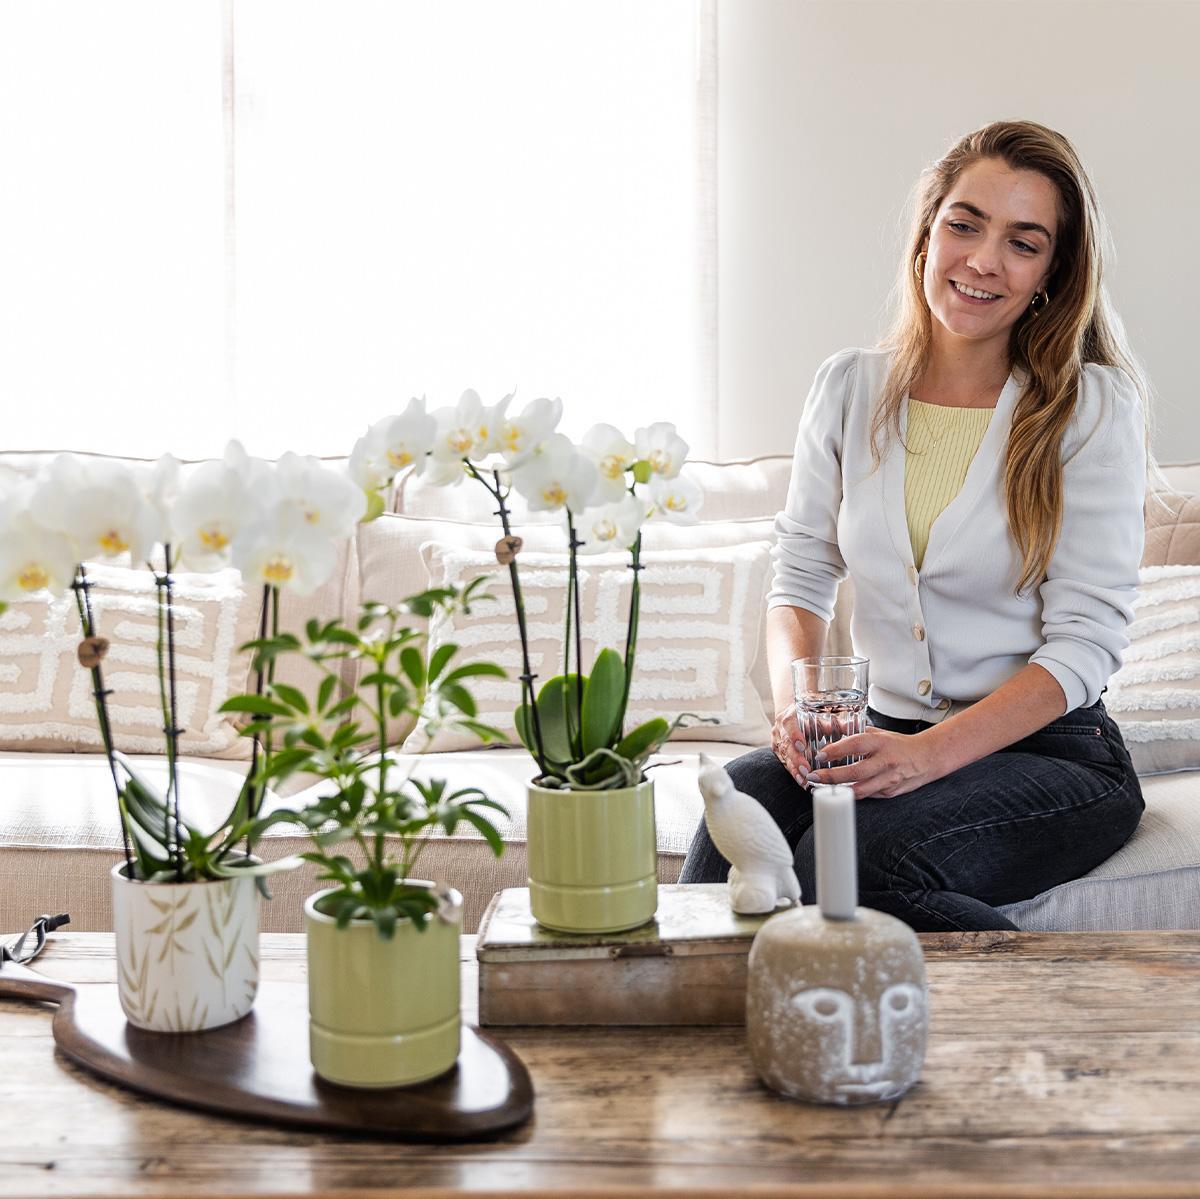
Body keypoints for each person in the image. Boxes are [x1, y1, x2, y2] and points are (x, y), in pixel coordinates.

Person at [680, 120, 1155, 932]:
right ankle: (717, 1046)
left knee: (852, 860)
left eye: (1023, 241)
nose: (982, 259)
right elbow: (801, 568)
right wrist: (801, 706)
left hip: (1054, 756)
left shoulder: (1090, 408)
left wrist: (921, 758)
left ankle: (1041, 1025)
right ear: (927, 232)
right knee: (739, 816)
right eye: (964, 224)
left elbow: (1085, 643)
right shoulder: (848, 388)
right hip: (880, 733)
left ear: (1051, 272)